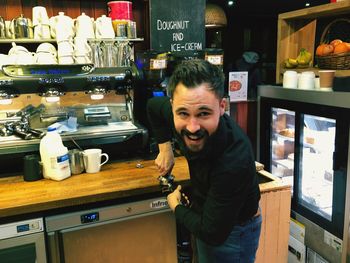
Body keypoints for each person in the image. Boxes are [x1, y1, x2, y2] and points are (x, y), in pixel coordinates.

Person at [147, 59, 261, 263]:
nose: (192, 127)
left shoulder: (235, 158)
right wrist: (165, 148)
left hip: (234, 232)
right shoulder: (180, 112)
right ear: (173, 107)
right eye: (183, 113)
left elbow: (212, 233)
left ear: (222, 107)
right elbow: (152, 106)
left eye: (204, 114)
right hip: (208, 216)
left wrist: (176, 206)